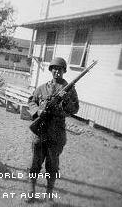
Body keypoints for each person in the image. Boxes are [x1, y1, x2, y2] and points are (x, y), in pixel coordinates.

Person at [26, 57, 79, 203]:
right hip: (40, 131)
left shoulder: (69, 90)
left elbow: (75, 109)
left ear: (64, 71)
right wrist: (38, 112)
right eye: (54, 68)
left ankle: (49, 193)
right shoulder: (42, 87)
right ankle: (31, 191)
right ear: (51, 70)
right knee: (35, 163)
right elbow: (31, 101)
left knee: (52, 165)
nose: (57, 71)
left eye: (60, 69)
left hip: (56, 133)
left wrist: (66, 101)